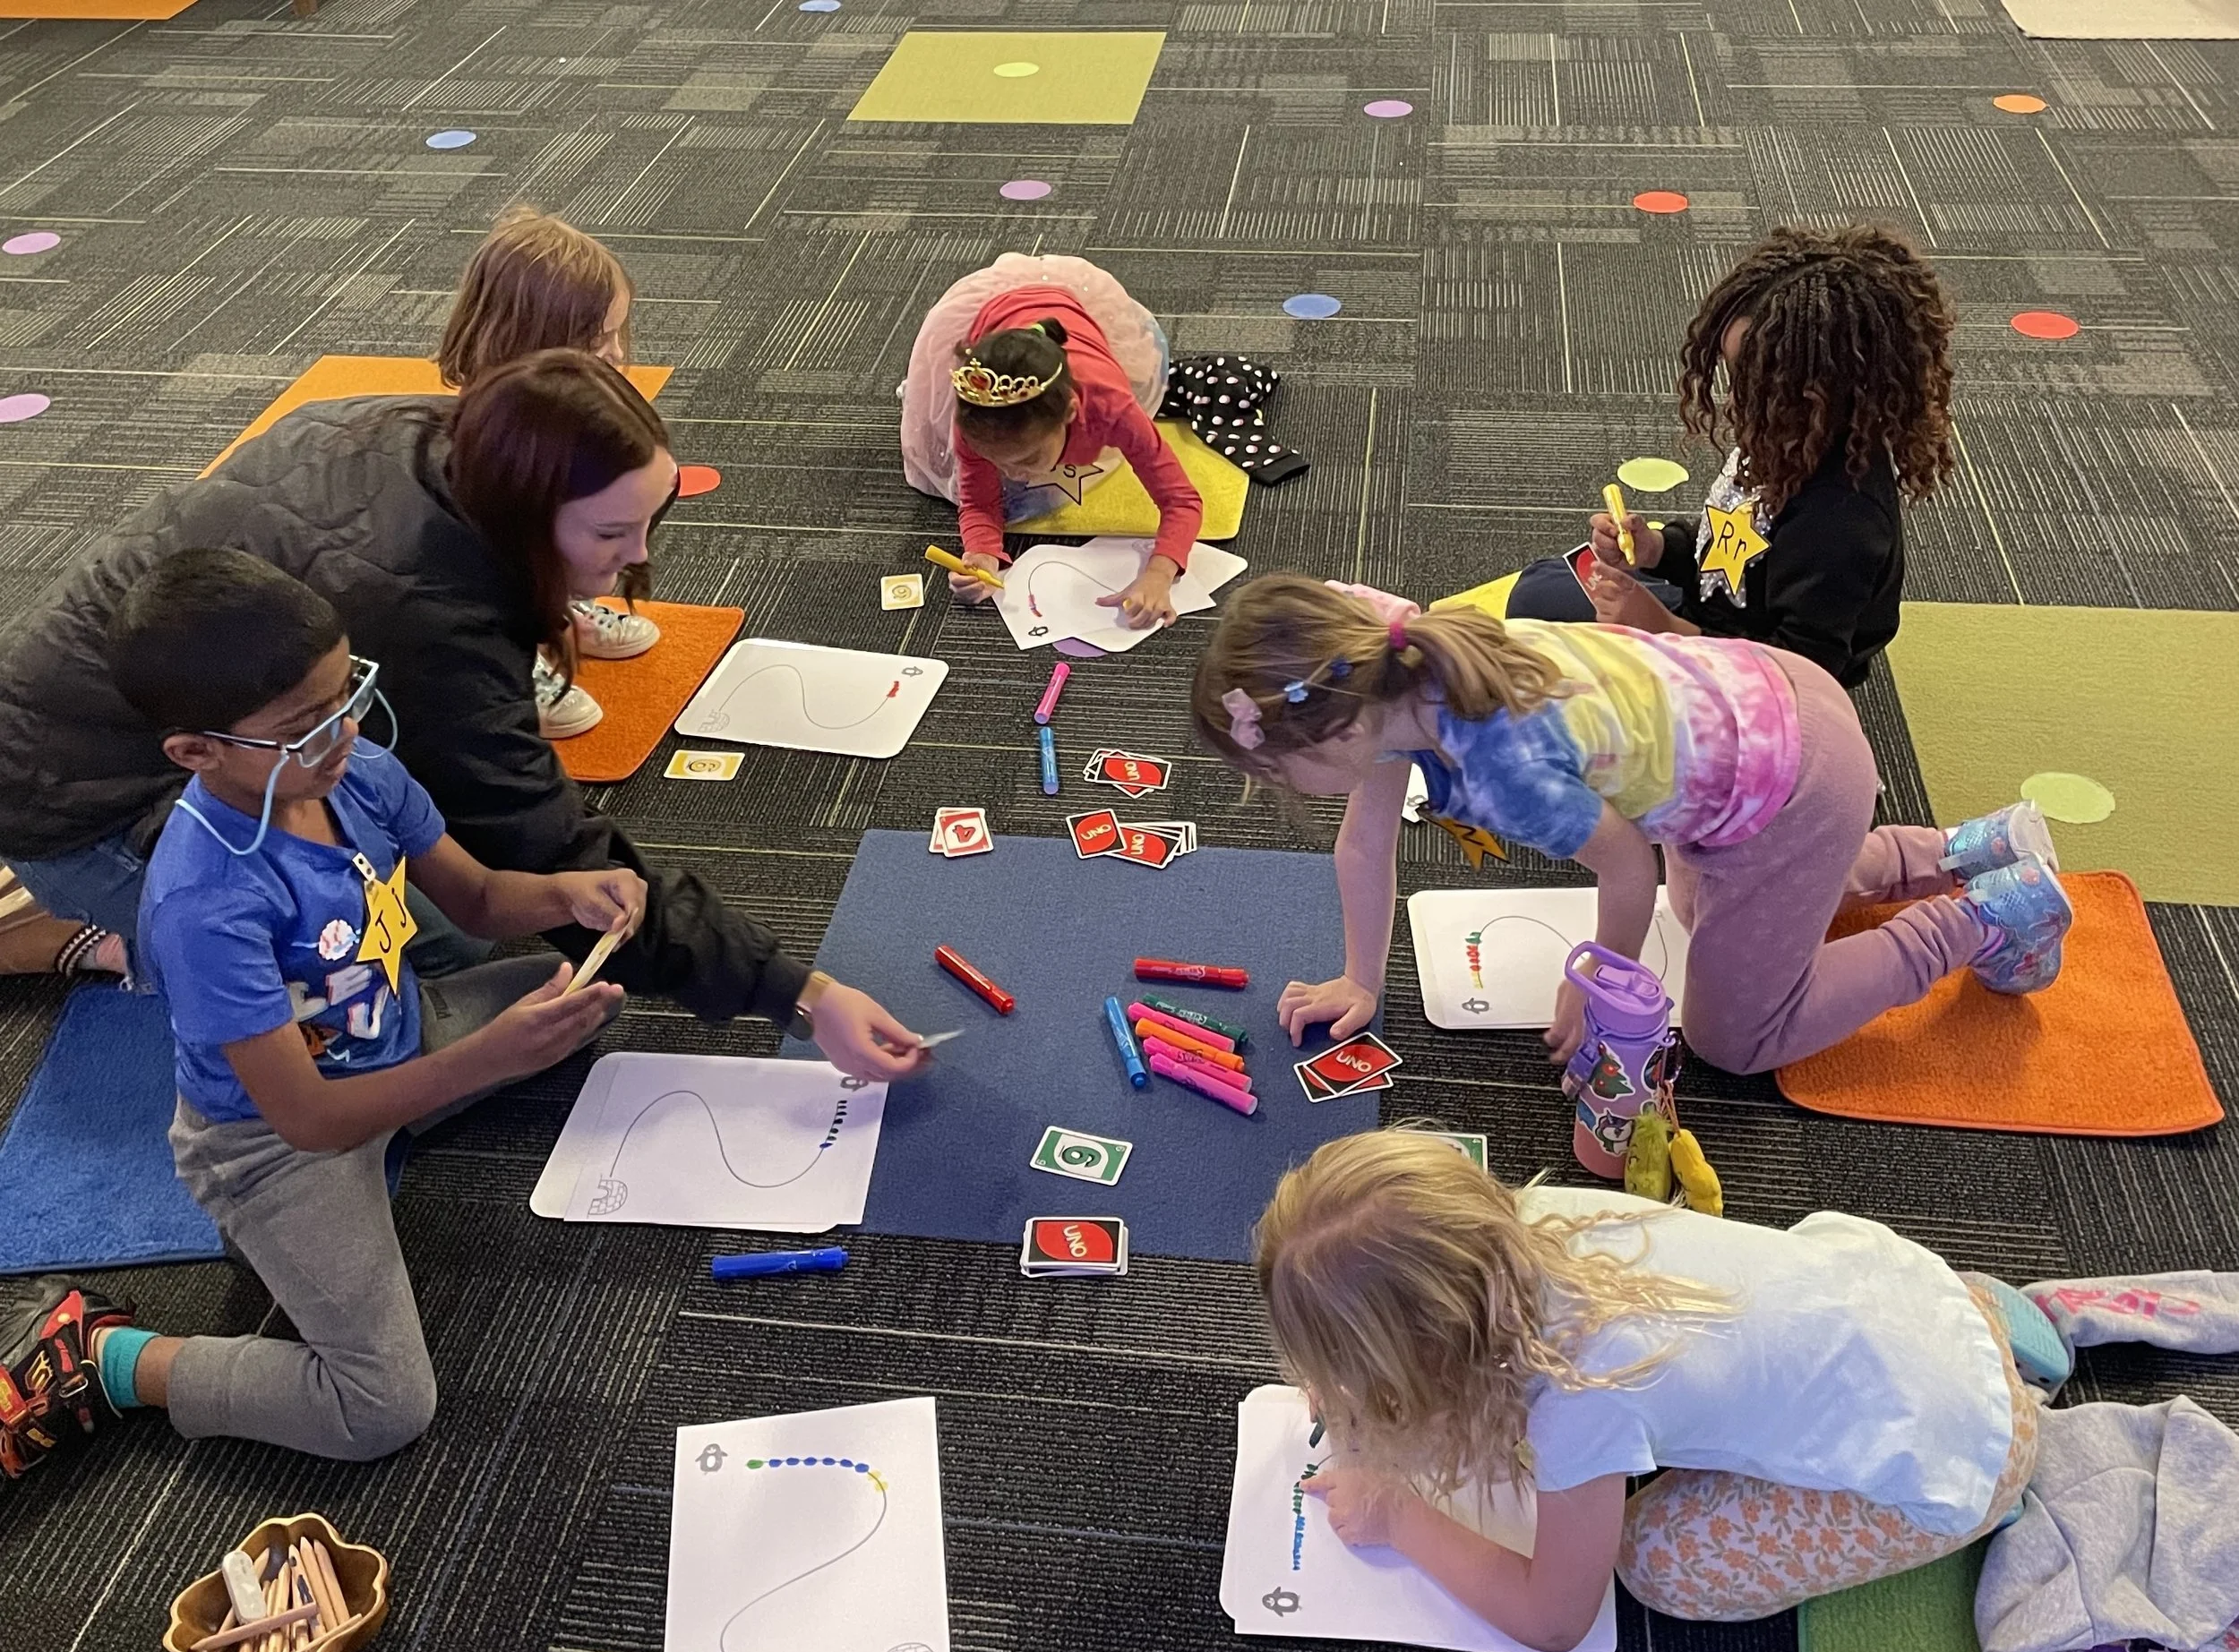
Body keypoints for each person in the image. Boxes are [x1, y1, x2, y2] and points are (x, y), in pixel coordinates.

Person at [0, 350, 926, 1081]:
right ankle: (87, 925)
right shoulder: (416, 615)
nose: (634, 561)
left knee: (454, 895)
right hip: (85, 807)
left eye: (652, 517)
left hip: (130, 728)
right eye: (609, 536)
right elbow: (545, 847)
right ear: (526, 512)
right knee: (418, 950)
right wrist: (798, 993)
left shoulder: (442, 439)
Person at [0, 551, 639, 1476]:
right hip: (278, 1142)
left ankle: (399, 1126)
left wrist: (570, 895)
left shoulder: (355, 768)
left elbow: (482, 899)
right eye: (304, 725)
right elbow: (302, 1117)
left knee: (570, 994)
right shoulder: (202, 900)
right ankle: (106, 1358)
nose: (341, 732)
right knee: (380, 1407)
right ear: (195, 751)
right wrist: (487, 1059)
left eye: (347, 694)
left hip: (393, 1040)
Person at [1189, 577, 2069, 1078]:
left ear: (1340, 732)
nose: (1269, 786)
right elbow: (1363, 842)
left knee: (1736, 1037)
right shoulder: (1388, 656)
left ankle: (1985, 913)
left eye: (1270, 769)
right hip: (1772, 697)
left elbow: (1624, 870)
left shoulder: (1502, 767)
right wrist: (1358, 979)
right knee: (1712, 913)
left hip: (1792, 787)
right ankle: (1958, 849)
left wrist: (1596, 976)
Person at [1255, 1132, 2043, 1648]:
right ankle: (1996, 1325)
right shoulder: (1533, 1218)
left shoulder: (1581, 1393)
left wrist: (1399, 1514)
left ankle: (1982, 1488)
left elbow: (1556, 1619)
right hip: (1919, 1296)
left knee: (1659, 1560)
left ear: (1429, 1362)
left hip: (1958, 1450)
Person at [1510, 224, 1956, 690]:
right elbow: (1726, 552)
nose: (1734, 398)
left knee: (1537, 627)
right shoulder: (1785, 436)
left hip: (1754, 673)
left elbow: (1803, 670)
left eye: (1753, 381)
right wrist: (1656, 550)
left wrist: (1664, 629)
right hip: (1715, 617)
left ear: (1816, 391)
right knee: (1539, 588)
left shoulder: (1841, 518)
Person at [437, 204, 657, 739]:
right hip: (473, 590)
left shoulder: (562, 408)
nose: (616, 354)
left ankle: (562, 610)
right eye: (596, 344)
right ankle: (517, 656)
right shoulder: (477, 445)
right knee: (507, 564)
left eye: (615, 336)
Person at [899, 254, 1198, 629]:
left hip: (1073, 311)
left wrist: (1159, 573)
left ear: (1071, 412)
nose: (1012, 473)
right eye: (998, 459)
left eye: (1026, 457)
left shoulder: (1112, 408)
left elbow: (1181, 499)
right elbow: (977, 501)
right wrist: (982, 555)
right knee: (939, 458)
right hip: (992, 319)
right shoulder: (975, 422)